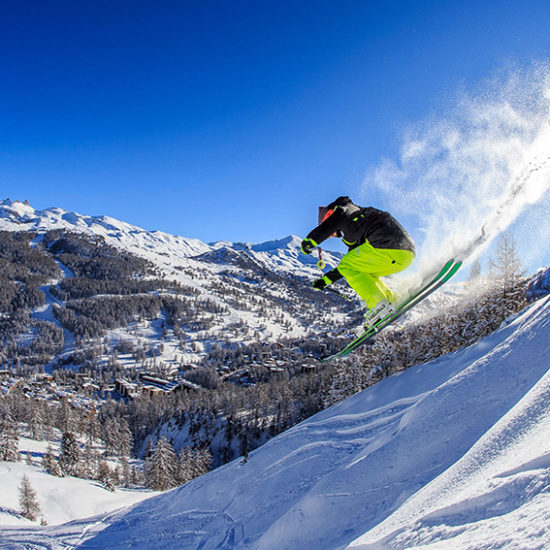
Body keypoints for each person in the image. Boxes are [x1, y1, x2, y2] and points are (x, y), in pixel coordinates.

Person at [300, 196, 415, 328]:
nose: (331, 235)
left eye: (326, 223)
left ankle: (378, 305)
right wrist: (325, 281)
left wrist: (308, 243)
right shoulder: (357, 222)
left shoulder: (342, 210)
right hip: (405, 254)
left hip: (388, 246)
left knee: (349, 263)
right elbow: (348, 267)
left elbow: (326, 229)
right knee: (362, 269)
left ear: (329, 215)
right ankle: (391, 300)